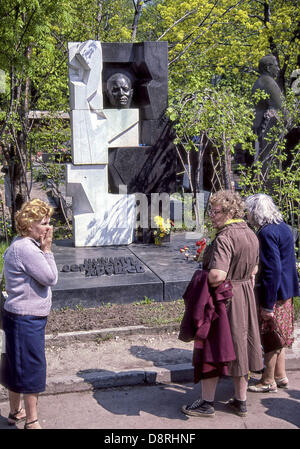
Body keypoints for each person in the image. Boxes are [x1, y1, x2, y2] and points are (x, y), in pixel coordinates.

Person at [181, 190, 263, 418]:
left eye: (215, 212)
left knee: (213, 347)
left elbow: (217, 275)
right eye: (211, 211)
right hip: (245, 295)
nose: (211, 216)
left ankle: (207, 403)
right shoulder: (250, 233)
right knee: (241, 347)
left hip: (224, 301)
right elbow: (255, 268)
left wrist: (200, 278)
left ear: (229, 212)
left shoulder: (225, 237)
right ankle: (240, 401)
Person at [1, 199, 58, 429]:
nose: (48, 228)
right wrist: (47, 250)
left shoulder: (19, 244)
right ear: (29, 224)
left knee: (16, 365)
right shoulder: (27, 248)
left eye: (48, 222)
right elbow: (50, 277)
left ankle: (16, 412)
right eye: (43, 223)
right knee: (31, 368)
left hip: (18, 316)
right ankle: (32, 421)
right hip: (27, 318)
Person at [245, 194, 299, 392]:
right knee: (280, 334)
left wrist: (267, 305)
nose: (247, 215)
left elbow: (272, 270)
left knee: (270, 335)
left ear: (255, 212)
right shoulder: (283, 227)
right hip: (287, 290)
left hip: (274, 293)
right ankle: (280, 375)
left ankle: (268, 381)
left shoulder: (265, 233)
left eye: (249, 211)